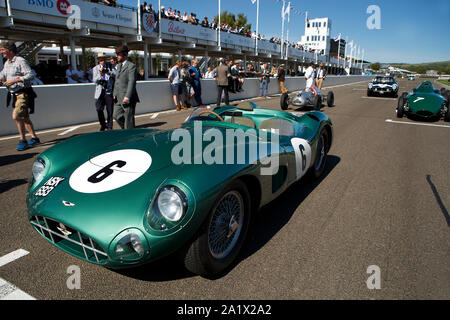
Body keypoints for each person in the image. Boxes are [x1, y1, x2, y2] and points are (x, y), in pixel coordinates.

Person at [0, 41, 40, 151]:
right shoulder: (7, 63)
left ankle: (23, 140)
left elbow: (31, 74)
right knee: (25, 117)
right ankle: (34, 138)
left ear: (10, 50)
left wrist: (15, 80)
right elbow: (3, 74)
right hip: (14, 94)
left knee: (16, 116)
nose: (1, 51)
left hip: (23, 93)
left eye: (3, 49)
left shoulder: (20, 61)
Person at [113, 45, 140, 129]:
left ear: (125, 55)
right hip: (118, 97)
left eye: (118, 54)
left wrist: (127, 96)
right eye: (116, 54)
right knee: (116, 115)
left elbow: (132, 82)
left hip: (128, 98)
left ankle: (129, 133)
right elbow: (116, 81)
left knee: (129, 119)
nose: (117, 56)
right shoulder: (118, 66)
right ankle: (127, 129)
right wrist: (115, 93)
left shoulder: (131, 66)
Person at [92, 53, 113, 131]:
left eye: (103, 59)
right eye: (101, 59)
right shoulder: (95, 68)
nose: (102, 61)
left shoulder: (110, 67)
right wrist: (100, 75)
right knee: (99, 108)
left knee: (110, 109)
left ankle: (110, 125)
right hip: (100, 90)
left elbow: (113, 76)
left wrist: (107, 72)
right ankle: (103, 124)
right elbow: (94, 80)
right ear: (98, 60)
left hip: (108, 89)